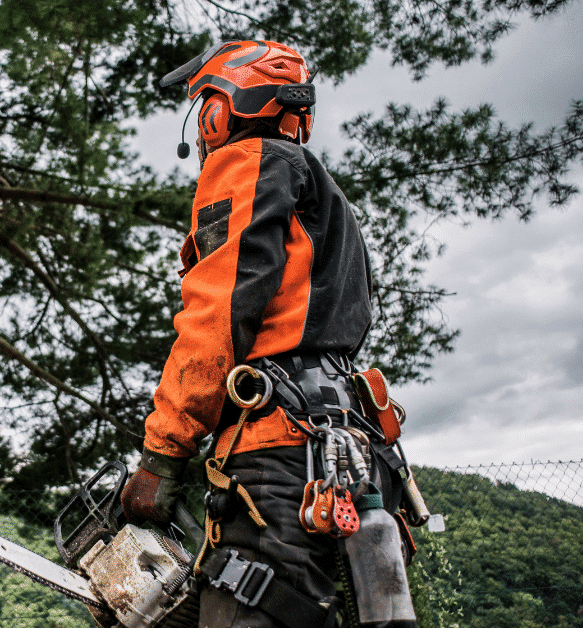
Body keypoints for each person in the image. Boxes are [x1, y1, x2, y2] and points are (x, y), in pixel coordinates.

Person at [121, 41, 415, 627]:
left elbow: (217, 315)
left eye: (205, 105)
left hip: (278, 459)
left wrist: (162, 451)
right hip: (353, 456)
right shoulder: (328, 201)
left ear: (220, 109)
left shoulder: (248, 161)